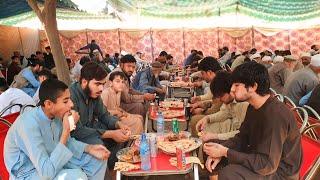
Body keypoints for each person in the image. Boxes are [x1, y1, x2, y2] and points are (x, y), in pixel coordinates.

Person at [203, 62, 302, 179]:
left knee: (229, 173)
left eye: (237, 85)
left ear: (253, 87)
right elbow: (242, 137)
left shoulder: (275, 115)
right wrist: (219, 150)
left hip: (279, 172)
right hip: (259, 157)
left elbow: (266, 164)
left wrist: (225, 152)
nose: (232, 89)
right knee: (211, 147)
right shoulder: (253, 107)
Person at [4, 79, 109, 179]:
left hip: (53, 158)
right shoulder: (28, 124)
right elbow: (46, 173)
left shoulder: (55, 115)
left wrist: (89, 148)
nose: (71, 104)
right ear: (49, 104)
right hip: (29, 172)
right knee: (77, 176)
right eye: (65, 101)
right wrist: (66, 131)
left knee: (98, 160)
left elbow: (68, 143)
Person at [69, 62, 130, 170]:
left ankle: (116, 170)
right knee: (99, 146)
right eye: (97, 84)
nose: (101, 88)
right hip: (77, 137)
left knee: (121, 134)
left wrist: (118, 124)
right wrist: (111, 134)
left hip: (93, 129)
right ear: (84, 82)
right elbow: (77, 131)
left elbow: (104, 115)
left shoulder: (94, 94)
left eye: (103, 84)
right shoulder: (71, 96)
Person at [195, 71, 248, 141]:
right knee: (202, 129)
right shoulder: (229, 99)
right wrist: (207, 118)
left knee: (207, 138)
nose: (220, 100)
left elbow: (242, 134)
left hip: (239, 138)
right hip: (232, 127)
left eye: (221, 96)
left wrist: (216, 136)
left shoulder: (243, 104)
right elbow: (224, 113)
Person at [189, 57, 223, 136]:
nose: (202, 76)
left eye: (202, 73)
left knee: (195, 120)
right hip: (221, 112)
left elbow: (216, 109)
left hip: (225, 118)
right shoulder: (217, 79)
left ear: (209, 72)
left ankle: (198, 144)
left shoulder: (219, 81)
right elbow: (214, 100)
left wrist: (202, 111)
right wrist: (200, 103)